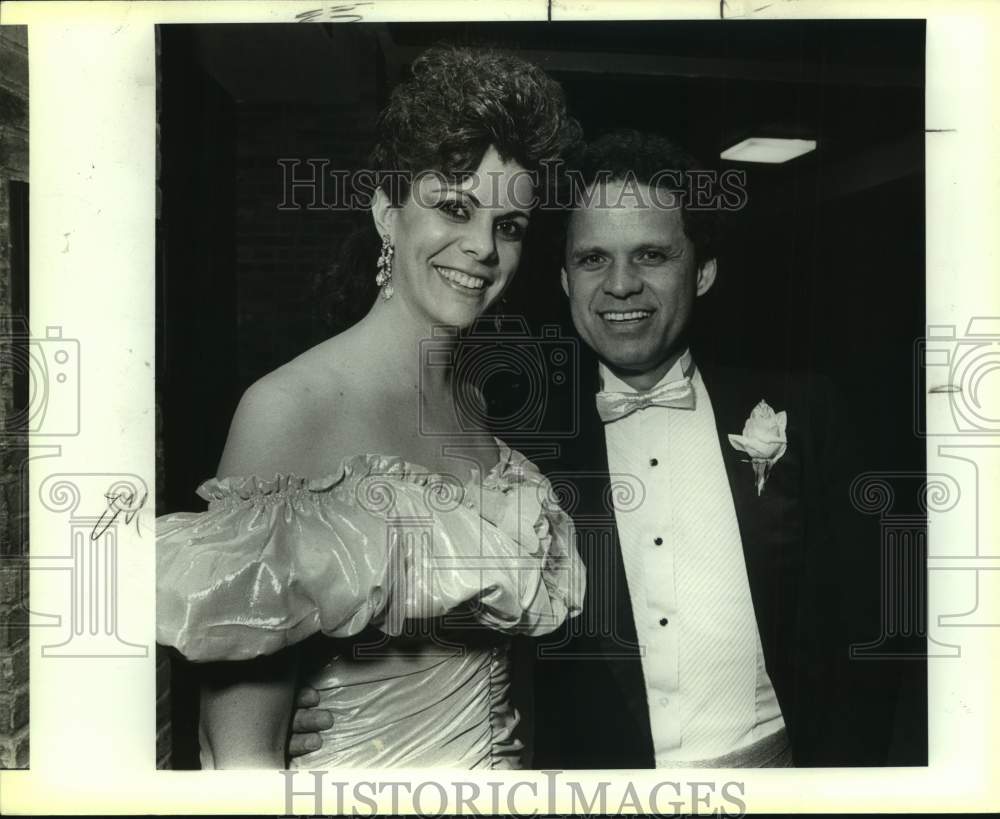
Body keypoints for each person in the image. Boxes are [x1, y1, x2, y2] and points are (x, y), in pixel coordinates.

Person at [290, 129, 893, 768]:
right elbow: (419, 606)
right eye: (593, 259)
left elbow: (865, 636)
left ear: (704, 270)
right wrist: (311, 703)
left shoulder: (808, 412)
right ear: (564, 278)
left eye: (652, 256)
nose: (621, 285)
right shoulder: (510, 446)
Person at [156, 45, 585, 770]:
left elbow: (507, 692)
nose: (482, 246)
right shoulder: (289, 408)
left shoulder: (475, 406)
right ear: (388, 212)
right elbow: (238, 754)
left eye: (509, 225)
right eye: (454, 207)